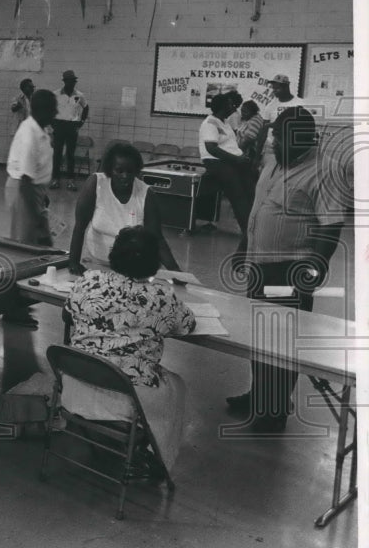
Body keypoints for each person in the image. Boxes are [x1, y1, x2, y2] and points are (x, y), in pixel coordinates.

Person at [226, 106, 347, 433]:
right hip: (259, 266)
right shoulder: (274, 161)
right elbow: (259, 207)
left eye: (285, 139)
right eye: (277, 137)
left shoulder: (326, 171)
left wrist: (312, 273)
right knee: (259, 337)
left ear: (307, 138)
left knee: (281, 343)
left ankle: (274, 411)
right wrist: (243, 247)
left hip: (289, 271)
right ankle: (258, 396)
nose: (277, 144)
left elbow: (331, 228)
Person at [63, 226, 197, 473]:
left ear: (114, 255)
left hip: (74, 385)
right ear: (154, 262)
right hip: (124, 396)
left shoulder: (89, 280)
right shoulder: (160, 297)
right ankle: (155, 457)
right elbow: (188, 325)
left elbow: (67, 312)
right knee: (176, 386)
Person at [68, 141, 181, 275]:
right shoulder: (96, 183)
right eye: (119, 171)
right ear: (110, 170)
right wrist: (73, 263)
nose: (125, 176)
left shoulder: (146, 194)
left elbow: (157, 238)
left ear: (136, 171)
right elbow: (79, 227)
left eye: (130, 171)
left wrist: (176, 273)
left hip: (132, 268)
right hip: (95, 262)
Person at [4, 89, 56, 247]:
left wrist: (42, 194)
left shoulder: (42, 130)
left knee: (36, 242)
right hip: (23, 190)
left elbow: (36, 169)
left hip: (33, 188)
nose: (56, 112)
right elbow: (25, 180)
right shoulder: (29, 134)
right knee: (24, 243)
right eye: (53, 108)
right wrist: (38, 219)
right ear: (42, 110)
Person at [198, 92, 253, 236]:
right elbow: (211, 148)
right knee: (238, 195)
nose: (234, 108)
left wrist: (241, 157)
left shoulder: (225, 122)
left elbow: (231, 145)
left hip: (231, 161)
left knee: (251, 190)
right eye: (230, 105)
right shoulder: (210, 123)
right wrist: (237, 160)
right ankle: (248, 232)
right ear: (222, 107)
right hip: (216, 162)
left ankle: (253, 227)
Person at [258, 74, 307, 169]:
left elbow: (304, 127)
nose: (274, 91)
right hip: (272, 150)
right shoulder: (270, 106)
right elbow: (263, 131)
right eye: (273, 88)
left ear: (286, 87)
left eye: (277, 88)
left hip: (291, 151)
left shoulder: (299, 103)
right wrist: (257, 155)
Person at [51, 70, 89, 191]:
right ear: (65, 81)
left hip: (72, 126)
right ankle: (55, 179)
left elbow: (86, 107)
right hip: (59, 125)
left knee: (70, 155)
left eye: (74, 81)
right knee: (57, 154)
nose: (73, 83)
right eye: (70, 81)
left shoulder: (79, 95)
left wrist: (81, 122)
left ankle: (70, 181)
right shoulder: (56, 94)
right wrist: (53, 123)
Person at [235, 99, 264, 175]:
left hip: (249, 154)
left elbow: (249, 138)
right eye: (242, 111)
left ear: (252, 111)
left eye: (245, 112)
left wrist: (238, 151)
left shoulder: (255, 121)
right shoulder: (251, 119)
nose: (242, 114)